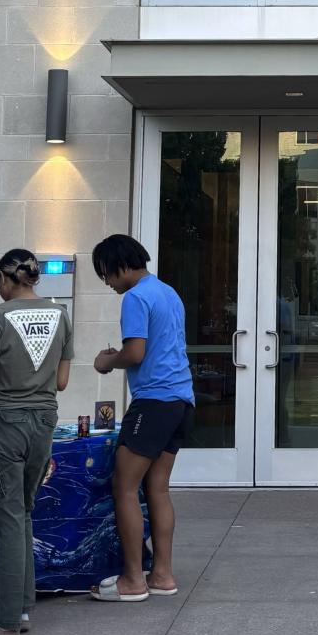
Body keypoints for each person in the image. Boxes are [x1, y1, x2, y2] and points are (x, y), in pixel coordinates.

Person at [0, 248, 73, 635]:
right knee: (22, 513)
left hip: (4, 421)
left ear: (5, 278)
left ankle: (5, 620)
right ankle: (22, 606)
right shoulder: (60, 314)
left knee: (8, 519)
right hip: (43, 420)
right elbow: (61, 382)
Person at [89, 233, 192, 603]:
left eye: (106, 274)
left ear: (120, 265)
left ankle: (133, 579)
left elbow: (135, 353)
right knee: (158, 488)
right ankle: (162, 574)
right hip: (181, 400)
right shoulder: (167, 292)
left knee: (124, 487)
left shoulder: (135, 297)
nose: (107, 283)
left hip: (152, 402)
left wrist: (106, 362)